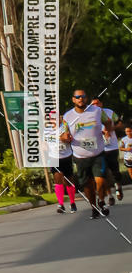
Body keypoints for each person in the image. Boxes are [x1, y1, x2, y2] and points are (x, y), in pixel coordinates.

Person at [63, 88, 114, 219]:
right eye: (78, 97)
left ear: (86, 98)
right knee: (88, 186)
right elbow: (63, 134)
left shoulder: (97, 111)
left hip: (98, 153)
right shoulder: (67, 116)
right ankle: (94, 207)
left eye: (83, 96)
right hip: (80, 157)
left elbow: (108, 122)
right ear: (73, 99)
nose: (81, 98)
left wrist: (107, 131)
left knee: (101, 180)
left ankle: (101, 201)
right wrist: (65, 138)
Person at [90, 98, 124, 203]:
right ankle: (110, 196)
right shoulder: (89, 117)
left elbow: (120, 124)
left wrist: (109, 130)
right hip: (99, 149)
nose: (96, 105)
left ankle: (118, 187)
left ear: (101, 103)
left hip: (112, 147)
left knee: (115, 171)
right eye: (93, 104)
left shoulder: (109, 112)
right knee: (103, 174)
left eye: (98, 103)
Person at [43, 113, 76, 213]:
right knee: (58, 180)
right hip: (54, 157)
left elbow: (69, 139)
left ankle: (72, 202)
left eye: (56, 118)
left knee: (68, 181)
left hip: (66, 156)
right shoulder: (46, 130)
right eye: (51, 118)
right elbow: (45, 143)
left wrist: (63, 138)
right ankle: (61, 204)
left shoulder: (65, 127)